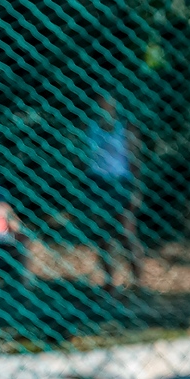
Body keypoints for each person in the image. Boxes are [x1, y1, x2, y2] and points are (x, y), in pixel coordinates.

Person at [86, 95, 142, 291]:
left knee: (127, 233)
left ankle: (138, 281)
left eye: (108, 104)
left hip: (120, 183)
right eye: (100, 103)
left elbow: (135, 160)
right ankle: (110, 281)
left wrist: (136, 189)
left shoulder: (126, 128)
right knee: (103, 235)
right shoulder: (90, 127)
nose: (104, 108)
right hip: (97, 182)